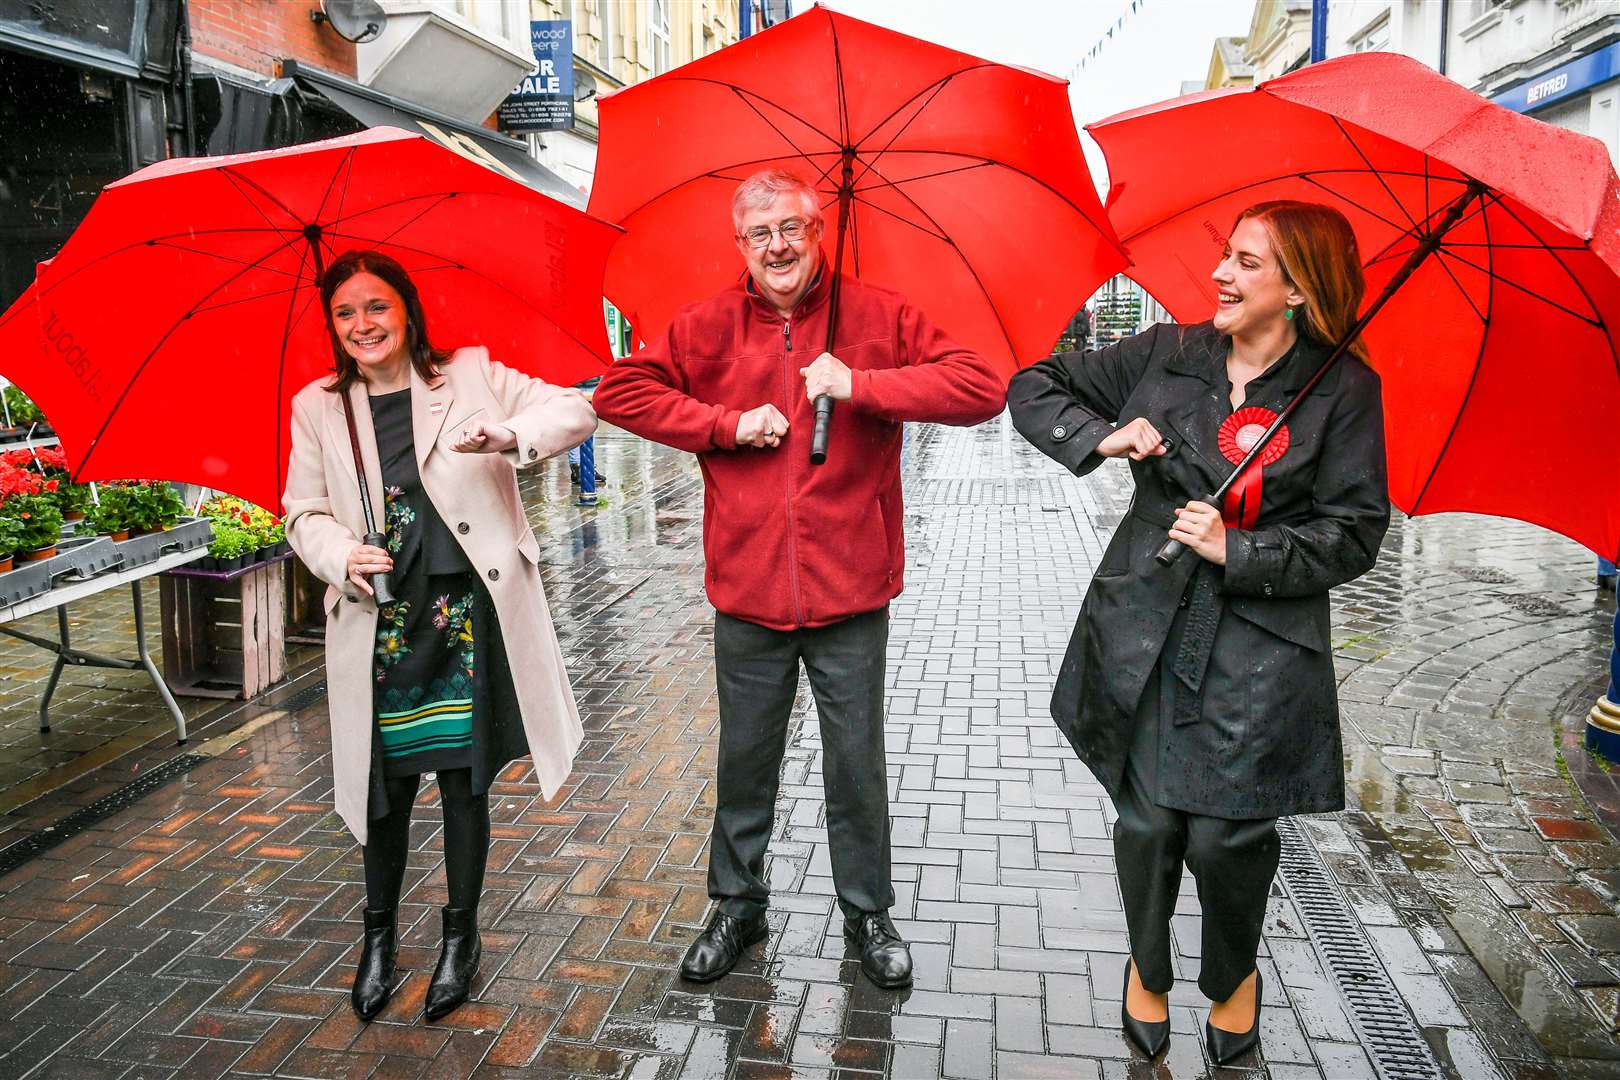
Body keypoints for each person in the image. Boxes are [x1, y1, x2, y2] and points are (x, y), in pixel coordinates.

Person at [592, 169, 1005, 989]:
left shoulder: (881, 317)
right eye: (759, 234)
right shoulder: (706, 325)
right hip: (747, 587)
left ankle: (867, 911)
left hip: (850, 586)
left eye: (792, 228)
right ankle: (736, 906)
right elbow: (619, 391)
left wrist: (864, 384)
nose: (777, 246)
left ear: (819, 232)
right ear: (739, 246)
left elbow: (980, 388)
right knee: (745, 759)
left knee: (856, 761)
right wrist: (723, 424)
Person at [1007, 202, 1389, 1065]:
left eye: (1246, 263)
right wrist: (1104, 436)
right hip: (1144, 625)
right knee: (1147, 825)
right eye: (1225, 254)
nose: (1220, 274)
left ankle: (1233, 976)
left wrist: (1239, 547)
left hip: (1258, 646)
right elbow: (1032, 387)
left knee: (1227, 836)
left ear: (1297, 290)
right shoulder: (1168, 354)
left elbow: (1357, 530)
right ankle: (1147, 969)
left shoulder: (1342, 390)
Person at [282, 250, 595, 1023]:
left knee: (462, 781)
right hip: (381, 621)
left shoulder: (470, 374)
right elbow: (301, 511)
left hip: (464, 612)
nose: (363, 325)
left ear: (406, 310)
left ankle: (461, 938)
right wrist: (338, 553)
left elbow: (575, 410)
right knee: (382, 789)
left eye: (376, 307)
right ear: (333, 326)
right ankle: (379, 940)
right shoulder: (318, 406)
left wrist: (507, 434)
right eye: (346, 313)